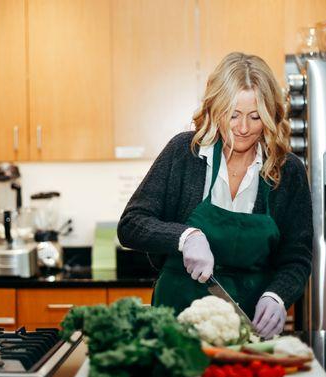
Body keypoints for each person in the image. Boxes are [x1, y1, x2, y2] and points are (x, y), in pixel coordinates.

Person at [117, 52, 312, 339]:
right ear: (215, 108)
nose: (243, 128)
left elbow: (297, 256)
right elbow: (131, 225)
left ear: (271, 115)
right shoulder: (184, 153)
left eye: (255, 116)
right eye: (233, 114)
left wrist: (278, 296)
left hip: (249, 323)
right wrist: (186, 237)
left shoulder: (288, 170)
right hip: (176, 319)